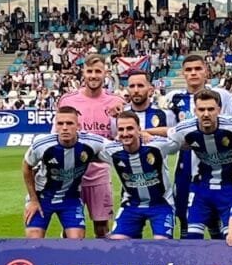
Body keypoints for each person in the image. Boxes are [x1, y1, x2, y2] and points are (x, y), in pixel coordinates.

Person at [163, 55, 232, 236]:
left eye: (198, 69)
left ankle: (221, 260)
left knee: (218, 221)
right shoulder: (174, 98)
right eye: (188, 70)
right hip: (185, 164)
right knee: (185, 216)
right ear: (183, 73)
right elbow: (171, 131)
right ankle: (190, 260)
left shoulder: (223, 96)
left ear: (206, 71)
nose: (193, 73)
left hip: (218, 164)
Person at [168, 89, 232, 239]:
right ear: (195, 111)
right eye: (201, 109)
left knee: (230, 238)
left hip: (230, 188)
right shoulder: (185, 128)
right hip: (202, 188)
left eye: (211, 109)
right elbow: (168, 132)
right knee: (192, 237)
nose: (206, 114)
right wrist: (145, 133)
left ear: (219, 110)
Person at [58, 55, 125, 238]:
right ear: (83, 73)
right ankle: (69, 264)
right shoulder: (68, 100)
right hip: (72, 174)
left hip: (100, 173)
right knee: (71, 228)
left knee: (102, 227)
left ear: (105, 73)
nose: (93, 76)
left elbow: (122, 136)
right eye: (89, 71)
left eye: (98, 71)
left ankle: (102, 264)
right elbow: (58, 133)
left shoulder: (116, 102)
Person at [21, 106, 109, 240]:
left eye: (69, 123)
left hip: (70, 198)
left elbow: (118, 150)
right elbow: (26, 166)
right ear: (55, 126)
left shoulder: (92, 142)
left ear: (78, 126)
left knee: (76, 242)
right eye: (60, 124)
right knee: (34, 242)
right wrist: (33, 200)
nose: (65, 128)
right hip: (42, 198)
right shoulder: (42, 145)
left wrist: (142, 136)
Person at [98, 112, 180, 240]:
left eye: (130, 128)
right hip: (132, 205)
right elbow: (89, 152)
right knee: (117, 242)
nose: (125, 133)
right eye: (121, 129)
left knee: (162, 243)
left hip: (161, 204)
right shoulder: (111, 150)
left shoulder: (157, 146)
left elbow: (177, 136)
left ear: (139, 129)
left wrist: (150, 132)